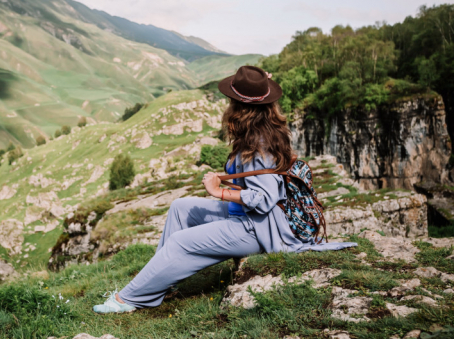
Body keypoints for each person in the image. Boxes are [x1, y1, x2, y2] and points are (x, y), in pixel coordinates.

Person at [92, 66, 357, 314]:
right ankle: (163, 281)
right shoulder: (266, 130)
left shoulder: (257, 142)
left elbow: (264, 199)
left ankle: (128, 299)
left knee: (180, 242)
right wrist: (230, 176)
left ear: (239, 107)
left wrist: (218, 192)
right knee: (180, 208)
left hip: (260, 228)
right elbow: (261, 176)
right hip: (249, 217)